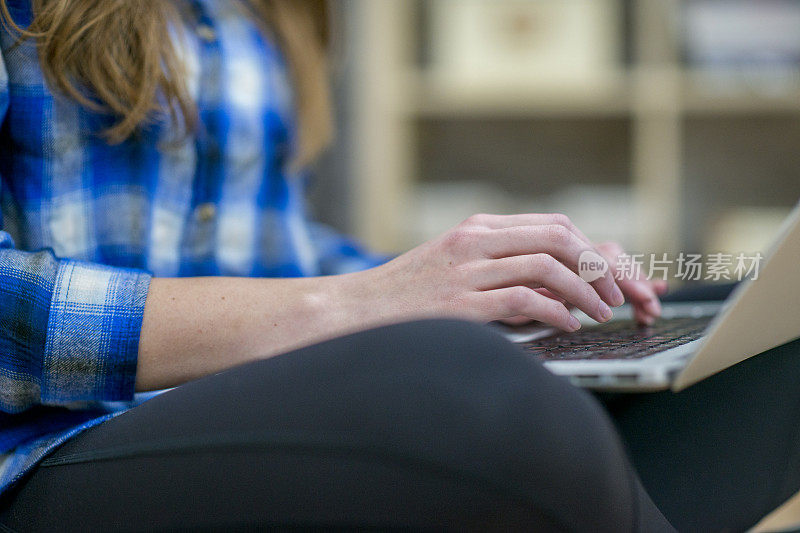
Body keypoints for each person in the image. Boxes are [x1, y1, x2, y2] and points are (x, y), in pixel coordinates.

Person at [0, 0, 798, 530]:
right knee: (474, 388)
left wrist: (482, 281)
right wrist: (361, 306)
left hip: (245, 405)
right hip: (48, 452)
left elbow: (279, 255)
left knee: (762, 345)